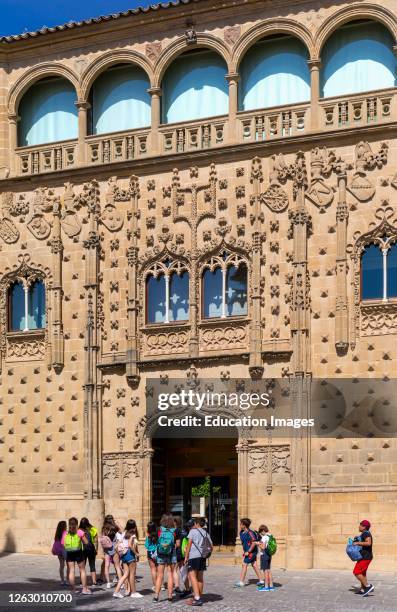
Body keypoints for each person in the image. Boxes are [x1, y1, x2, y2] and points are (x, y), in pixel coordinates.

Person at [184, 517, 213, 607]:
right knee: (200, 578)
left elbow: (189, 544)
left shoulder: (193, 531)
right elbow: (211, 546)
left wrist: (186, 556)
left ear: (196, 524)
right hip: (202, 557)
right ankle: (198, 596)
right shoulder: (206, 533)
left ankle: (197, 598)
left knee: (192, 577)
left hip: (193, 557)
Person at [113, 519, 143, 599]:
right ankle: (134, 592)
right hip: (130, 554)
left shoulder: (123, 533)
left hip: (123, 555)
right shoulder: (132, 534)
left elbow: (117, 545)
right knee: (132, 574)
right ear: (134, 526)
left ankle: (116, 591)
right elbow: (130, 545)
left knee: (125, 574)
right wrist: (136, 553)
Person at [62, 517, 91, 595]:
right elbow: (86, 542)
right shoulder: (79, 532)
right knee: (82, 570)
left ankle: (73, 590)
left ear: (69, 524)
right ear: (77, 524)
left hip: (69, 553)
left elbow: (63, 544)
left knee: (71, 571)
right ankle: (84, 589)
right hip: (78, 552)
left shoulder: (65, 533)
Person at [153, 514, 178, 602]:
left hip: (161, 553)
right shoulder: (174, 531)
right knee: (170, 574)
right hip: (171, 553)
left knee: (160, 575)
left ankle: (156, 596)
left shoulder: (159, 529)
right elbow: (177, 544)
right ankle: (170, 596)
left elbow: (155, 540)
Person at [234, 518, 262, 587]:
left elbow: (254, 543)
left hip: (251, 552)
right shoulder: (241, 532)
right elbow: (244, 542)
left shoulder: (251, 533)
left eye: (241, 524)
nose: (240, 525)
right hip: (247, 551)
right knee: (254, 565)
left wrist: (248, 551)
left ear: (244, 525)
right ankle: (261, 580)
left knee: (244, 564)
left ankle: (241, 582)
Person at [352, 519, 374, 597]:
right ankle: (362, 589)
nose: (359, 526)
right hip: (364, 556)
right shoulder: (364, 533)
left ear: (364, 527)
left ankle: (368, 586)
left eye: (360, 525)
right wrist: (358, 538)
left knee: (356, 572)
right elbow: (364, 540)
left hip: (366, 557)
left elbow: (368, 543)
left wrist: (357, 543)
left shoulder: (365, 534)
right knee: (362, 573)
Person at [79, 517, 98, 586]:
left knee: (82, 567)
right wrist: (96, 549)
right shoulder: (93, 529)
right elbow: (96, 541)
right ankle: (94, 582)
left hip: (82, 550)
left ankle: (82, 581)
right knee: (92, 565)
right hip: (91, 549)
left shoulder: (79, 530)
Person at [257, 525, 274, 591]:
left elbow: (263, 547)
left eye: (261, 532)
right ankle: (271, 586)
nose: (261, 534)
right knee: (269, 570)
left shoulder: (264, 537)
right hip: (269, 554)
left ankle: (266, 587)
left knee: (265, 571)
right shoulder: (270, 536)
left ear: (263, 531)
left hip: (264, 555)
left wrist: (258, 544)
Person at [173, 516, 187, 594]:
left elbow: (177, 544)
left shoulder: (176, 530)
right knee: (182, 570)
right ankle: (186, 587)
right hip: (183, 552)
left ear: (175, 522)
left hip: (178, 552)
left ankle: (177, 587)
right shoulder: (184, 530)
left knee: (174, 570)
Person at [52, 520, 67, 586]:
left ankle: (62, 580)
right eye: (66, 525)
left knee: (61, 565)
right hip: (64, 550)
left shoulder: (57, 533)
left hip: (58, 551)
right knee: (69, 565)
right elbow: (65, 542)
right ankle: (68, 580)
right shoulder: (65, 533)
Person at [145, 522, 158, 591]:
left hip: (150, 552)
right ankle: (161, 585)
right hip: (157, 552)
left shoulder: (148, 536)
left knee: (153, 569)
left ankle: (155, 586)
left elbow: (146, 545)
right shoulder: (157, 534)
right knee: (159, 570)